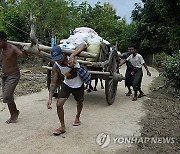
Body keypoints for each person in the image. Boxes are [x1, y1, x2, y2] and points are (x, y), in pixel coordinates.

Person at [47, 44, 86, 135]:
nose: (58, 60)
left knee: (79, 102)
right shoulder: (56, 66)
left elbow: (83, 44)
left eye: (59, 58)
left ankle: (77, 117)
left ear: (63, 54)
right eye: (56, 59)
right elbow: (53, 83)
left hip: (78, 84)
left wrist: (73, 55)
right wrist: (49, 98)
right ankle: (62, 127)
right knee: (59, 104)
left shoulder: (71, 58)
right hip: (67, 84)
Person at [0, 31, 27, 123]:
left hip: (13, 75)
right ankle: (14, 112)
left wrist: (24, 50)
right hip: (4, 76)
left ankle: (14, 113)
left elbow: (23, 55)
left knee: (7, 96)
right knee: (6, 96)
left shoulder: (12, 48)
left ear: (4, 40)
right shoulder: (1, 49)